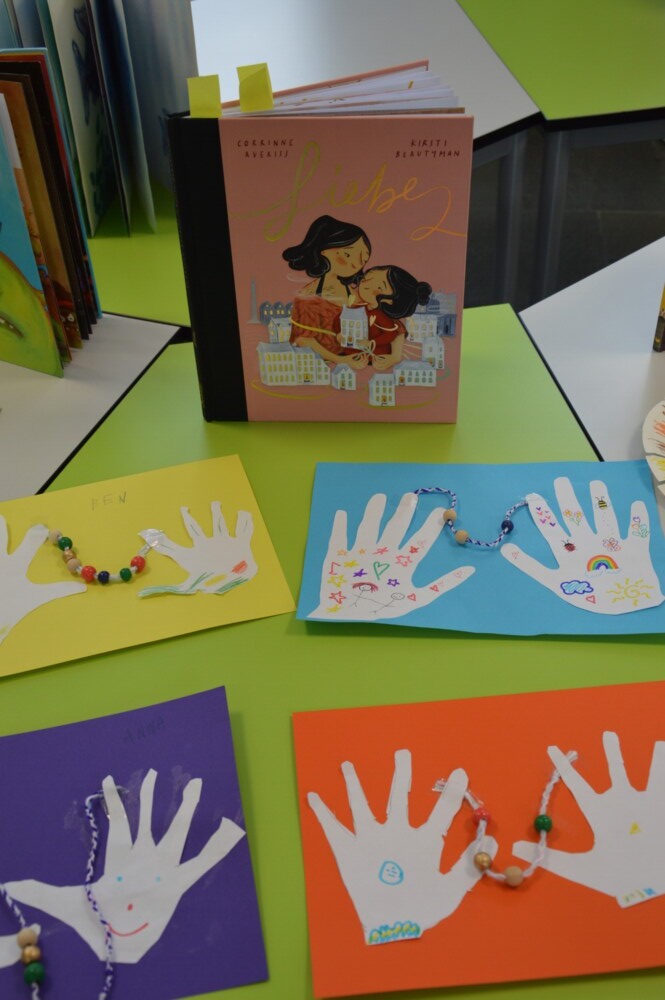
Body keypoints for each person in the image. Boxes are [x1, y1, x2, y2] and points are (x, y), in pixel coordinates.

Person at [283, 216, 372, 370]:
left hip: (360, 364)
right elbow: (303, 340)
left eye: (363, 260)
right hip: (323, 368)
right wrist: (341, 360)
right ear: (324, 251)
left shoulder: (360, 296)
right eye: (348, 254)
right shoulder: (307, 297)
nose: (356, 264)